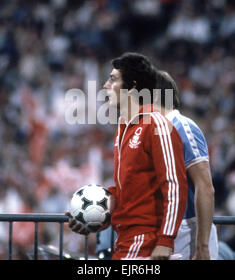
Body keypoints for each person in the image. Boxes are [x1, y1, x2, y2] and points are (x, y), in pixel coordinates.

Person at [67, 52, 187, 260]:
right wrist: (93, 217)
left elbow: (174, 185)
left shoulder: (156, 124)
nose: (105, 86)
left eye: (112, 79)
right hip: (125, 239)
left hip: (146, 242)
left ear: (131, 87)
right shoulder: (123, 128)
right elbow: (127, 194)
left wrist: (165, 240)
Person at [154, 70, 218, 260]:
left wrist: (202, 246)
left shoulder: (183, 127)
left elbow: (205, 187)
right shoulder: (152, 133)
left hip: (186, 233)